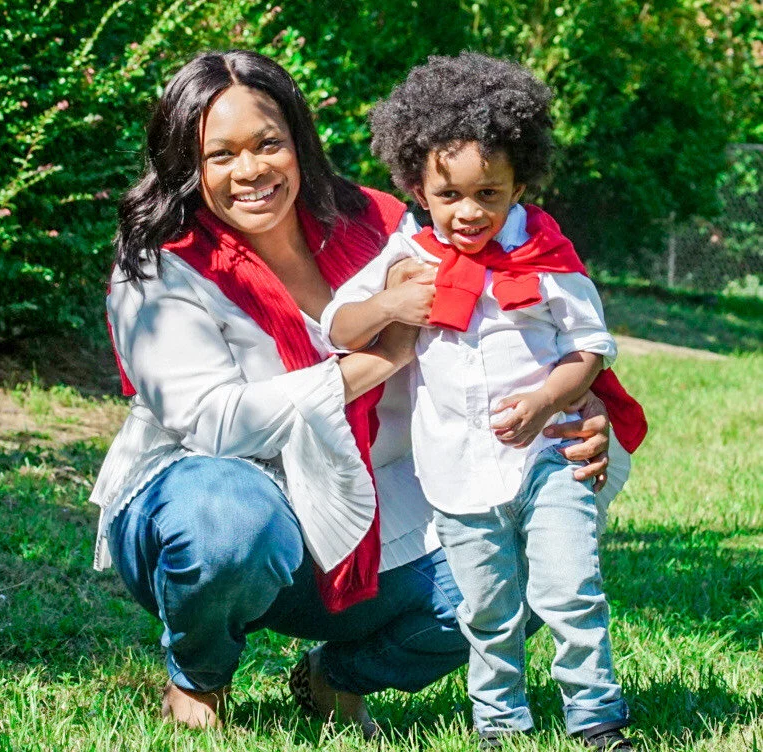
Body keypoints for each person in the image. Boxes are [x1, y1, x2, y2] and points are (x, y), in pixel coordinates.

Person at [89, 49, 639, 739]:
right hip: (209, 500)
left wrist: (576, 411)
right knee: (229, 520)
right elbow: (215, 424)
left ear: (299, 142)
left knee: (521, 575)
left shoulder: (385, 225)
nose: (252, 169)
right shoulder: (158, 266)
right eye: (220, 154)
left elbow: (518, 331)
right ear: (185, 165)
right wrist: (373, 363)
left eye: (269, 144)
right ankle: (198, 675)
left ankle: (335, 678)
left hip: (370, 497)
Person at [323, 53, 640, 750]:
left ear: (519, 184)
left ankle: (597, 717)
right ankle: (498, 722)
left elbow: (592, 346)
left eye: (489, 195)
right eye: (449, 195)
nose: (469, 213)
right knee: (487, 607)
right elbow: (338, 328)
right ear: (417, 184)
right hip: (457, 470)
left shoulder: (544, 253)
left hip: (548, 455)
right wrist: (392, 301)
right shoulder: (408, 253)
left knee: (568, 590)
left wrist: (546, 400)